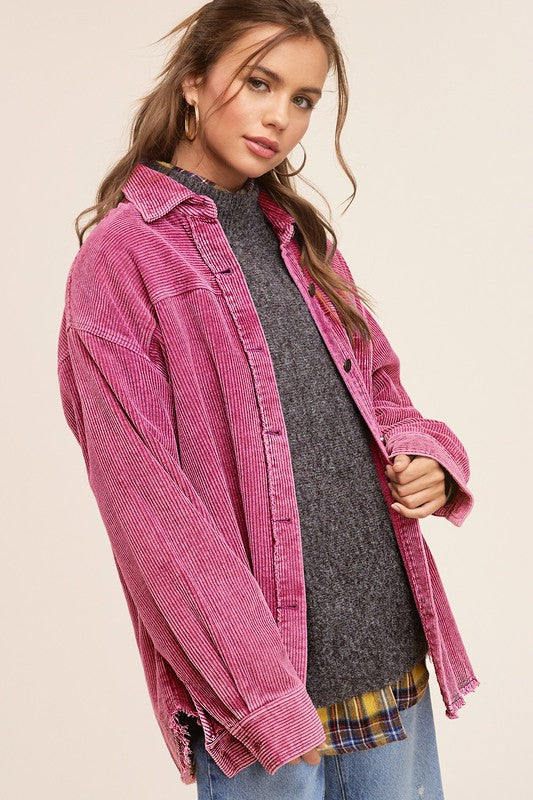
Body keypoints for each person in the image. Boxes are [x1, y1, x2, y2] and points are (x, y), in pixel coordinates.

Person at [56, 1, 479, 797]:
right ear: (193, 80)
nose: (280, 116)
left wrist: (425, 455)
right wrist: (262, 702)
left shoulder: (300, 238)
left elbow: (381, 392)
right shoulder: (120, 262)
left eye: (302, 98)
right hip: (263, 703)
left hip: (387, 654)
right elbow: (151, 514)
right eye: (259, 82)